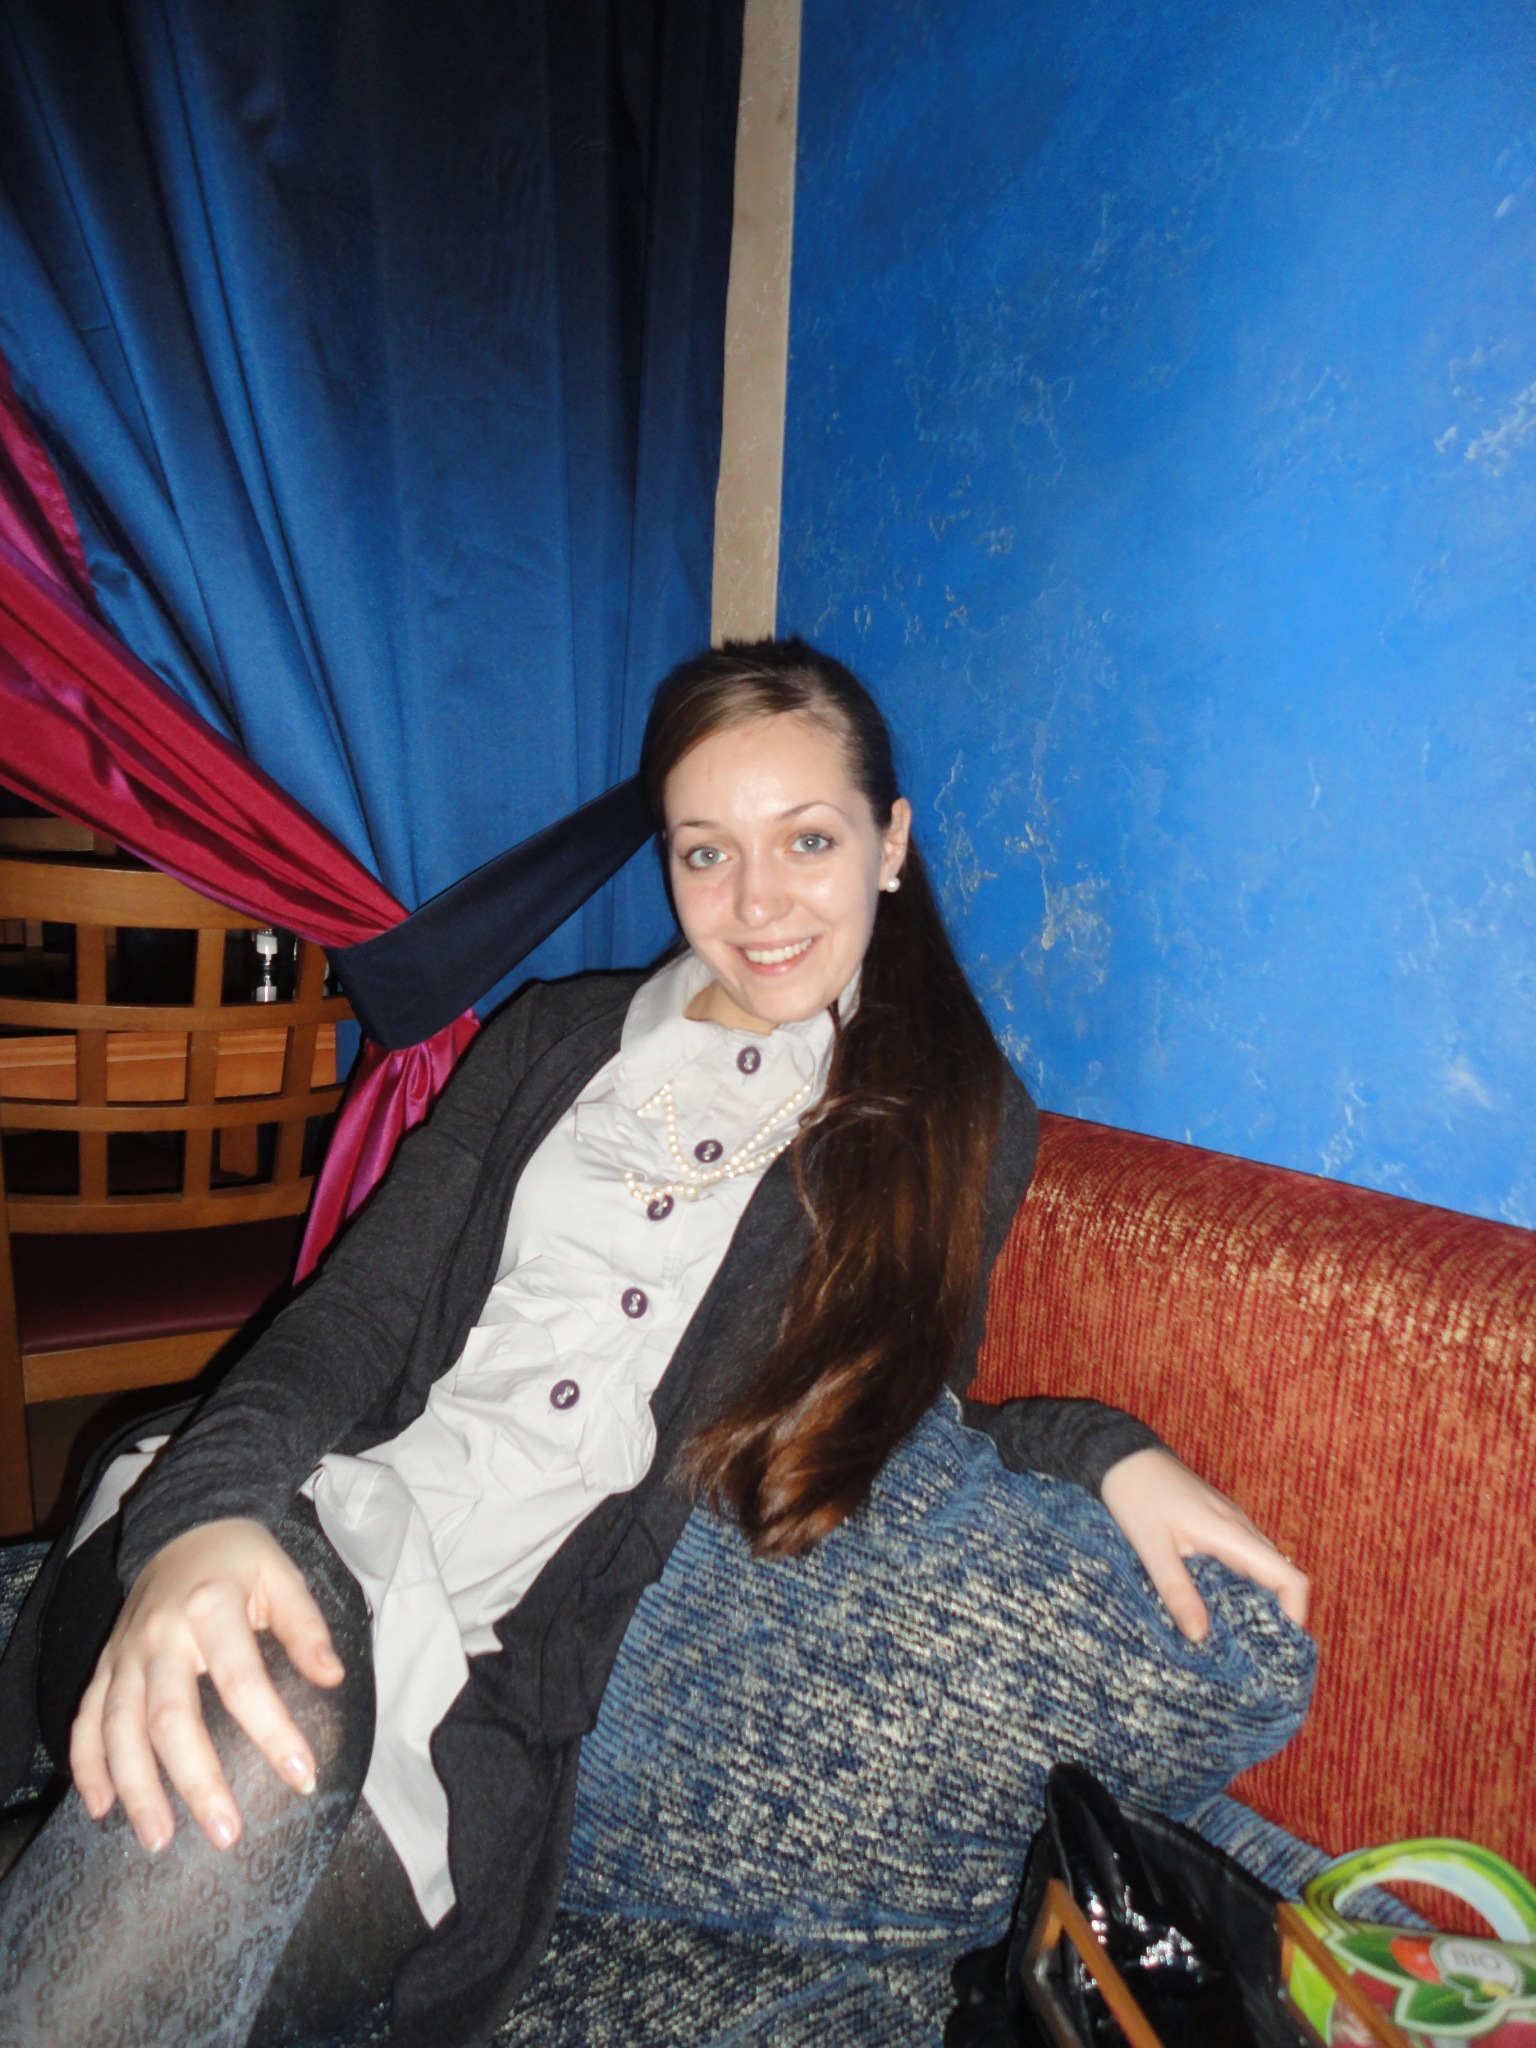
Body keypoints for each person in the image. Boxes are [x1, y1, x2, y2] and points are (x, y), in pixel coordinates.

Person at [0, 639, 1307, 2048]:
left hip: (465, 1711)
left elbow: (896, 1406)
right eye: (705, 852)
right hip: (286, 1514)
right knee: (261, 1723)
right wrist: (203, 1515)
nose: (756, 903)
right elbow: (354, 1316)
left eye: (807, 840)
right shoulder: (552, 1038)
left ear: (890, 843)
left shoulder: (958, 1127)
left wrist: (1100, 1448)